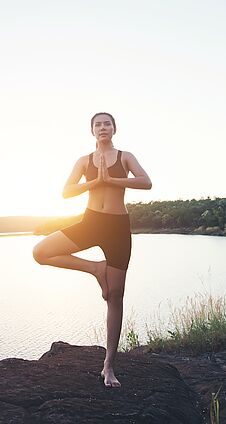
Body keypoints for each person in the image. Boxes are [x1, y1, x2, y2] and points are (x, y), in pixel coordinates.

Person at [32, 112, 152, 388]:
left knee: (115, 296)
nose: (102, 127)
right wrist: (95, 182)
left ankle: (109, 366)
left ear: (114, 129)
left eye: (107, 123)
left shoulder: (125, 156)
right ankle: (95, 268)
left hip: (118, 228)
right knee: (41, 252)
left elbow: (146, 182)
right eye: (97, 124)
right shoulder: (84, 160)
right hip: (90, 223)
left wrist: (111, 180)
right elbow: (67, 191)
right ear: (92, 131)